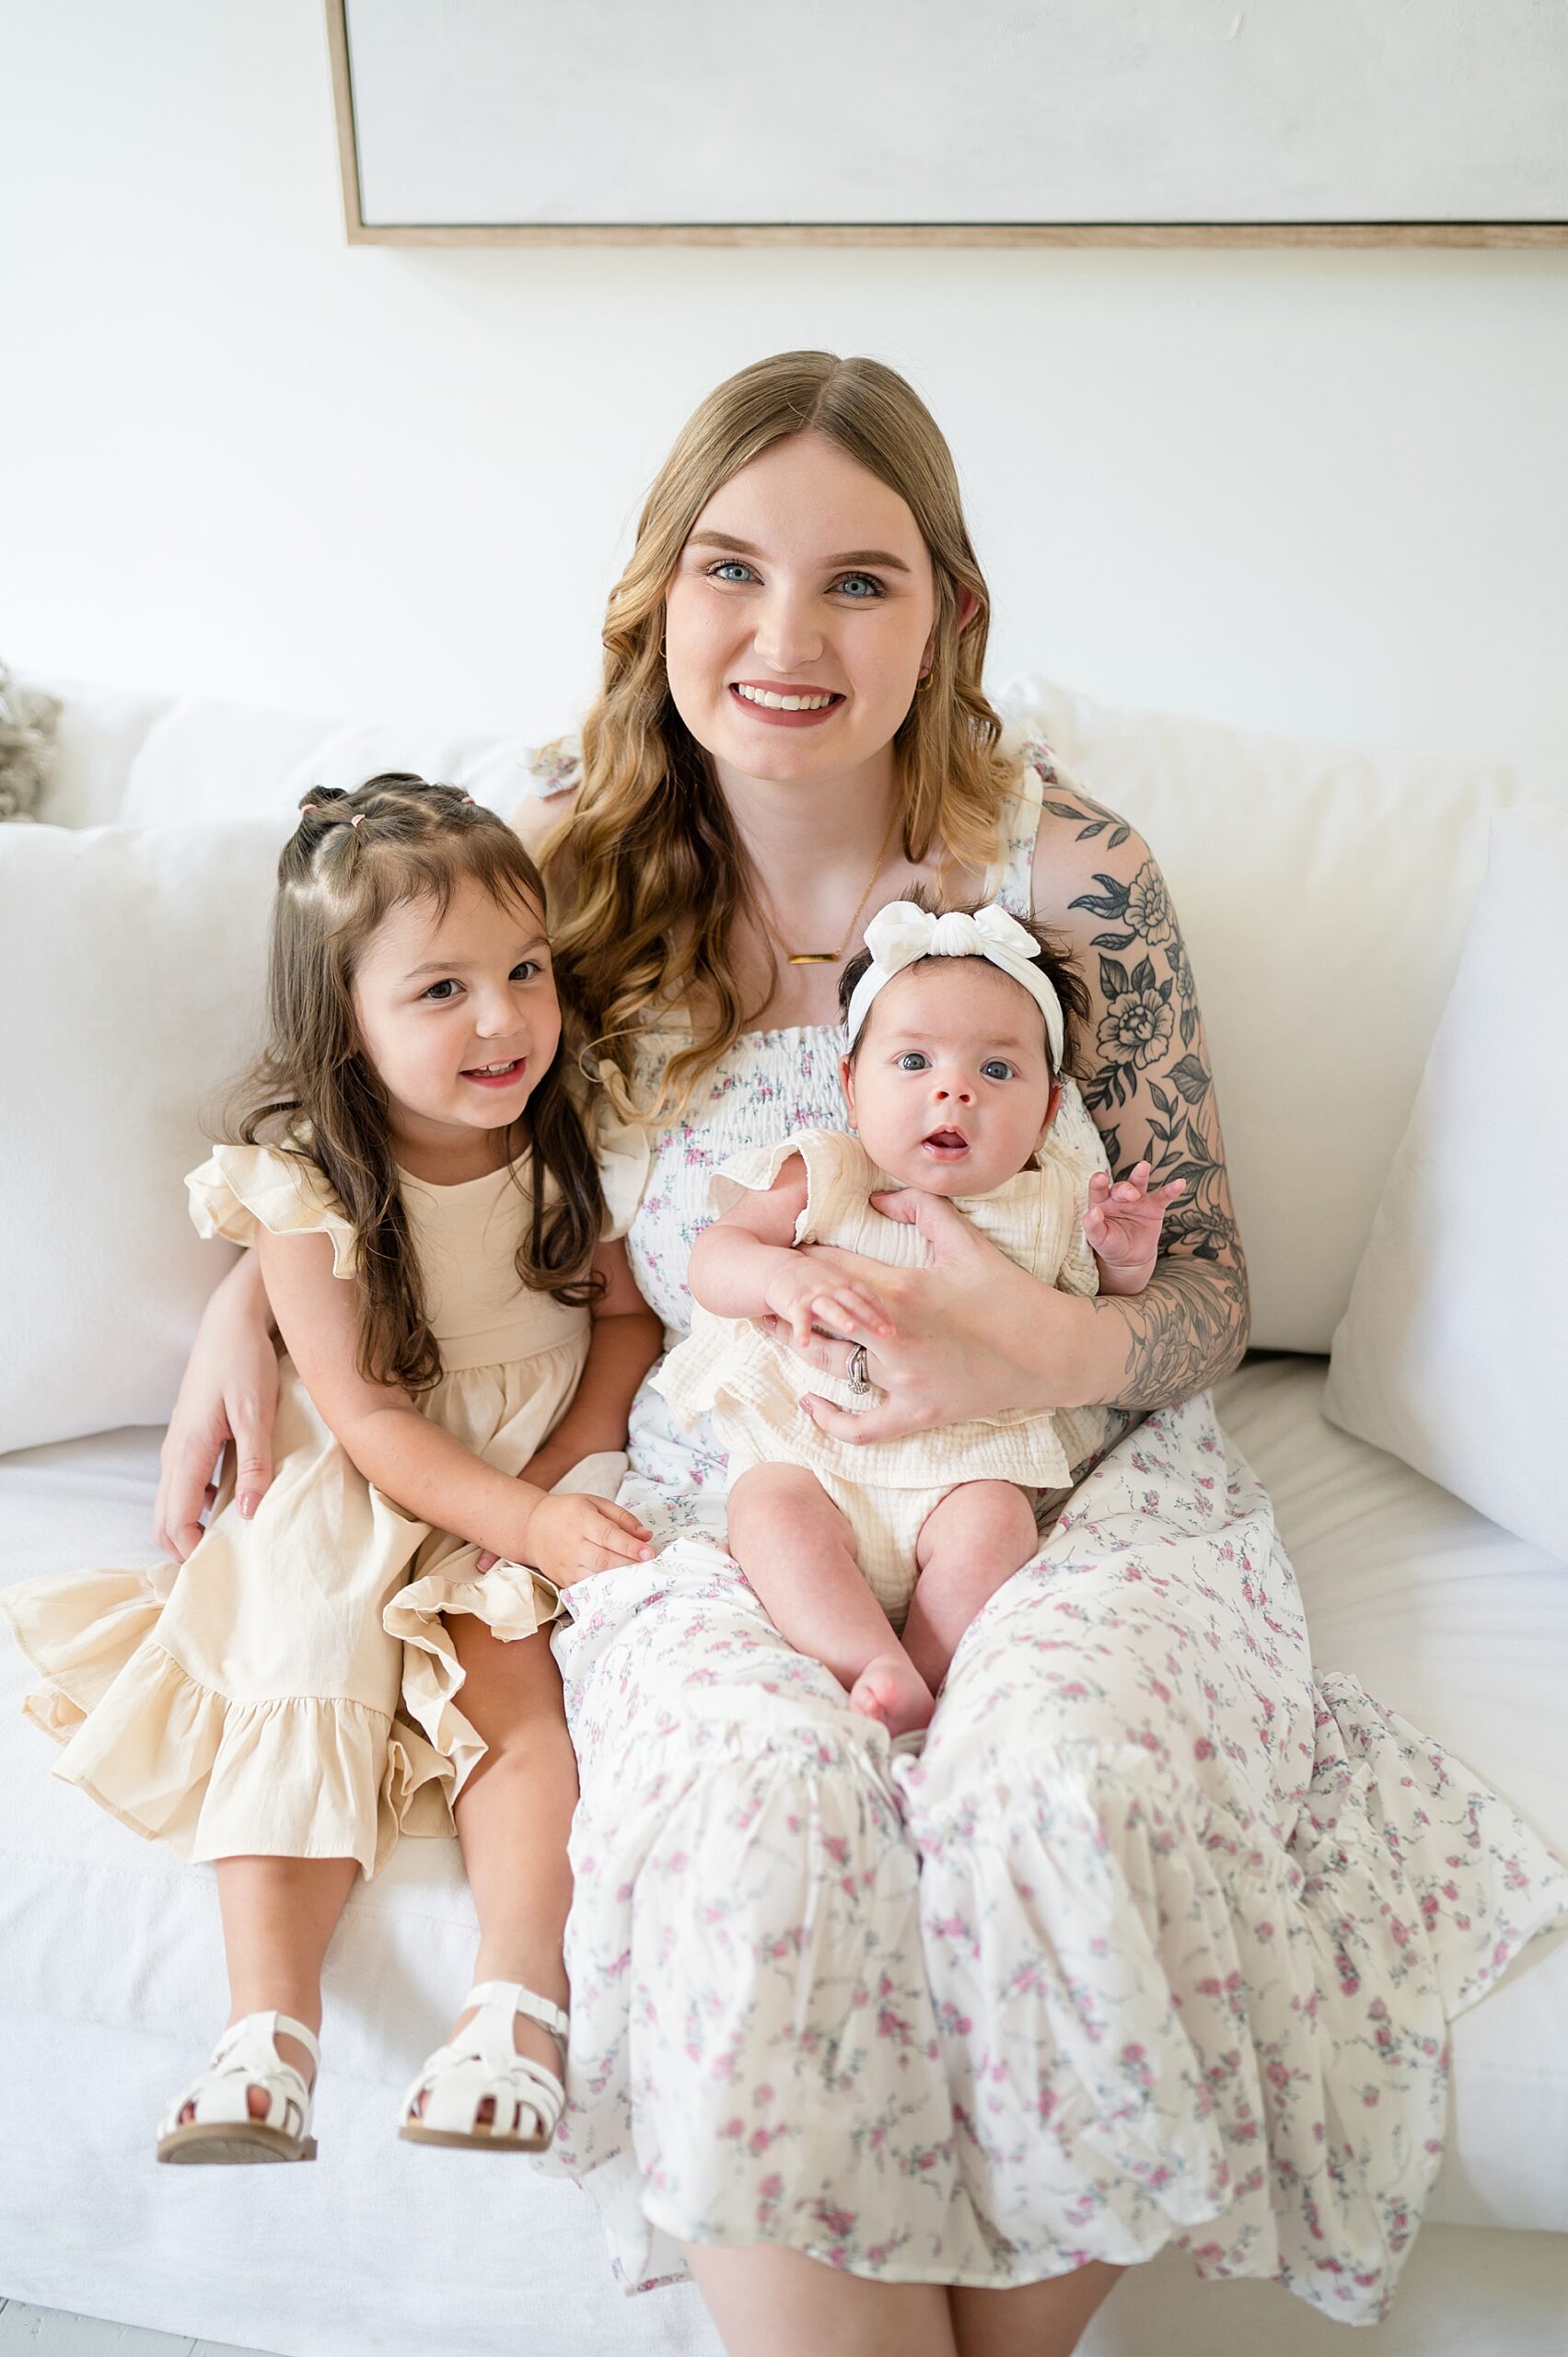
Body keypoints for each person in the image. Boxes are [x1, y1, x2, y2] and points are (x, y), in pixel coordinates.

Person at [152, 356, 1563, 2353]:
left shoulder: (1070, 877)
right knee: (759, 1814)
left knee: (1060, 1773)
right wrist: (246, 1294)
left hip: (1061, 1475)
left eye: (857, 582)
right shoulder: (554, 881)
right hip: (721, 1486)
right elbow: (373, 1108)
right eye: (732, 569)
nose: (786, 639)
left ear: (948, 616)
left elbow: (1206, 1294)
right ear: (659, 598)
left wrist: (1019, 1325)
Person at [2, 775, 660, 2165]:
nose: (504, 1018)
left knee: (512, 1688)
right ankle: (265, 2040)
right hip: (371, 1463)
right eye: (440, 991)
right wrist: (522, 1513)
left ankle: (513, 2015)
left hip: (531, 1453)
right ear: (344, 1026)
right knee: (299, 1658)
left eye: (524, 970)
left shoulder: (578, 1121)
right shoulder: (302, 1181)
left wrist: (556, 1480)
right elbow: (361, 1418)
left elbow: (623, 1318)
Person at [656, 894, 1185, 1736]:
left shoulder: (1049, 1204)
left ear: (1049, 1114)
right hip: (812, 1449)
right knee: (772, 1520)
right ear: (850, 1090)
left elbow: (1090, 1323)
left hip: (968, 1462)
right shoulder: (825, 1171)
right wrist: (777, 1281)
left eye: (997, 1071)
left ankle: (926, 1676)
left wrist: (1123, 1262)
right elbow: (712, 1259)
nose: (953, 1091)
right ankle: (872, 1664)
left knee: (995, 1528)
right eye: (912, 1063)